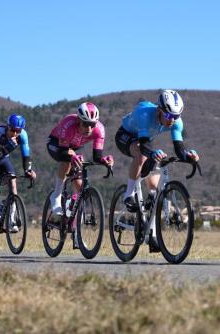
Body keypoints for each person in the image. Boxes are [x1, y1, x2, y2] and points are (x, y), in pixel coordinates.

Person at [115, 89, 199, 251]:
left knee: (154, 190)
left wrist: (189, 156)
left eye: (176, 117)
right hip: (126, 136)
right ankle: (129, 194)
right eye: (168, 116)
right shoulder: (145, 114)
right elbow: (145, 145)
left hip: (144, 140)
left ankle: (151, 234)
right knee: (141, 154)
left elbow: (179, 149)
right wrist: (153, 153)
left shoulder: (176, 121)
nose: (172, 121)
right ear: (159, 110)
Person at [47, 102, 114, 222]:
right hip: (56, 144)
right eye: (86, 124)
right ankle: (56, 195)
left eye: (92, 124)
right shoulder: (68, 123)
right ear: (78, 120)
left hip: (73, 147)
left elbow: (97, 156)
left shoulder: (99, 130)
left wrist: (104, 160)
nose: (89, 128)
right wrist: (72, 156)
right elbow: (63, 151)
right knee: (67, 160)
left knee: (79, 186)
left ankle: (75, 222)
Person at [0, 114, 37, 234]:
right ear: (7, 126)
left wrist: (28, 170)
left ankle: (12, 217)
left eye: (18, 131)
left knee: (13, 180)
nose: (15, 134)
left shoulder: (23, 136)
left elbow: (26, 155)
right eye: (13, 130)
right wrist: (6, 149)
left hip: (3, 159)